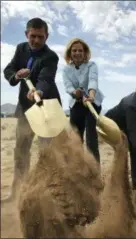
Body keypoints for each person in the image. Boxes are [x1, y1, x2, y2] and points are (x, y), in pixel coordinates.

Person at [2, 17, 62, 202]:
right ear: (26, 34)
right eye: (33, 36)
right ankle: (17, 192)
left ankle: (48, 196)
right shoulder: (21, 48)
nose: (36, 40)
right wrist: (16, 75)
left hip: (46, 108)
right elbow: (9, 69)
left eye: (40, 37)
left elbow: (46, 78)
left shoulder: (51, 56)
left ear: (47, 37)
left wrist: (39, 90)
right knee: (21, 150)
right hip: (26, 109)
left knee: (47, 153)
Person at [62, 38, 104, 164]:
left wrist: (91, 94)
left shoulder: (92, 65)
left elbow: (93, 81)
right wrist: (75, 93)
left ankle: (95, 174)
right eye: (74, 50)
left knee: (91, 139)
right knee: (75, 139)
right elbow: (68, 86)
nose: (77, 53)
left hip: (92, 103)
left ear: (85, 53)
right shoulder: (66, 70)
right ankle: (77, 170)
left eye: (80, 50)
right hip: (76, 104)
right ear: (70, 53)